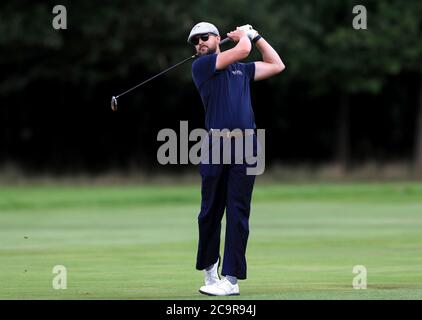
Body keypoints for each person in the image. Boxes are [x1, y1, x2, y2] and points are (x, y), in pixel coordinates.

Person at [188, 22, 285, 296]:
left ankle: (230, 280)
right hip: (215, 145)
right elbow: (242, 50)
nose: (199, 43)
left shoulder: (241, 70)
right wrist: (245, 36)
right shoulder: (202, 66)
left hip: (247, 147)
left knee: (238, 213)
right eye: (195, 41)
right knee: (210, 211)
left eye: (204, 37)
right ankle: (210, 271)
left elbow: (277, 64)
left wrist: (257, 35)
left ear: (217, 38)